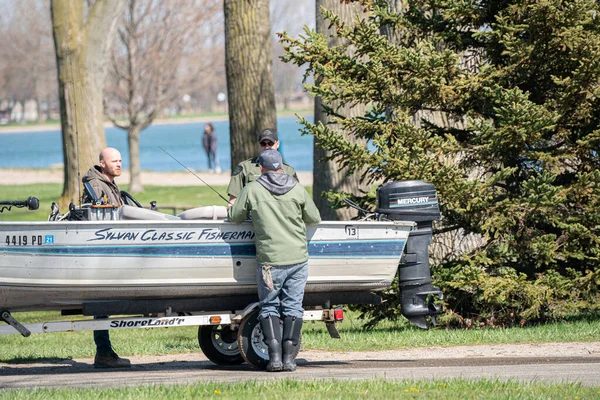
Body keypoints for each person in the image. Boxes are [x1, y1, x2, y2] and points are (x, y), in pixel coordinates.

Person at [227, 149, 321, 372]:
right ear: (281, 167)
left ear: (261, 167)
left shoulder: (252, 189)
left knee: (269, 306)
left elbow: (236, 217)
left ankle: (275, 359)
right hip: (298, 259)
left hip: (269, 261)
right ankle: (290, 358)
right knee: (293, 307)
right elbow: (314, 217)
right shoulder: (297, 189)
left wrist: (232, 208)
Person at [81, 147, 131, 369]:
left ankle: (104, 352)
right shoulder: (96, 185)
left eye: (120, 160)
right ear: (102, 163)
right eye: (114, 161)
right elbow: (100, 215)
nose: (119, 164)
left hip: (111, 249)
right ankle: (103, 352)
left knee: (104, 305)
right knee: (101, 304)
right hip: (103, 252)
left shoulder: (107, 182)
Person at [227, 128, 298, 206]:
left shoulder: (289, 170)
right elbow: (232, 202)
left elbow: (298, 198)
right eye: (263, 144)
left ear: (277, 144)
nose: (267, 147)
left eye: (270, 143)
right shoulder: (245, 168)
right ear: (259, 145)